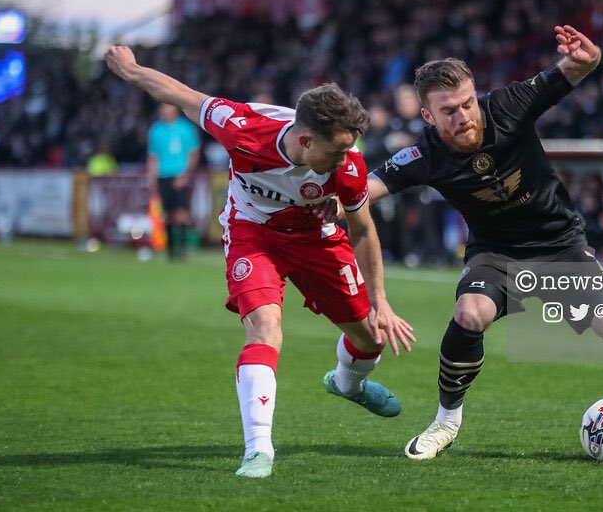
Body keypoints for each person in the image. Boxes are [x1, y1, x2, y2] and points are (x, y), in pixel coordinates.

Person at [363, 25, 603, 461]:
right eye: (449, 110)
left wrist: (587, 59)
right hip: (496, 253)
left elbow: (571, 71)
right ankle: (446, 422)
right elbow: (364, 191)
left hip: (559, 246)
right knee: (469, 313)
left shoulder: (507, 106)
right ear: (428, 116)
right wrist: (325, 198)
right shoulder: (424, 154)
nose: (464, 116)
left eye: (468, 103)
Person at [105, 45, 416, 479]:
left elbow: (363, 229)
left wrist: (381, 299)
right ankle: (258, 450)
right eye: (338, 151)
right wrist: (133, 69)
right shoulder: (243, 128)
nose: (345, 159)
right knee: (265, 328)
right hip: (253, 234)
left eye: (350, 150)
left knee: (371, 338)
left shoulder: (347, 166)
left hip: (316, 237)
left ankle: (349, 383)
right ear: (305, 140)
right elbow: (180, 93)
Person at [147, 103, 201, 260]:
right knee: (168, 214)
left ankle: (182, 249)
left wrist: (185, 174)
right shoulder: (156, 130)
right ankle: (171, 251)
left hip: (180, 174)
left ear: (175, 110)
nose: (165, 111)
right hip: (163, 175)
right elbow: (153, 156)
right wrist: (151, 177)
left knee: (182, 213)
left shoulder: (186, 128)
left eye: (168, 108)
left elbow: (193, 153)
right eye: (162, 108)